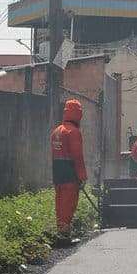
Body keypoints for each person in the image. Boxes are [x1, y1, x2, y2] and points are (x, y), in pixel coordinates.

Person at [50, 99, 87, 246]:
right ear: (78, 114)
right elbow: (77, 156)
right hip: (69, 173)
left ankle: (61, 232)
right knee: (69, 203)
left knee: (59, 202)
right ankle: (64, 237)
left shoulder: (56, 131)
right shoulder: (74, 132)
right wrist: (82, 176)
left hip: (57, 172)